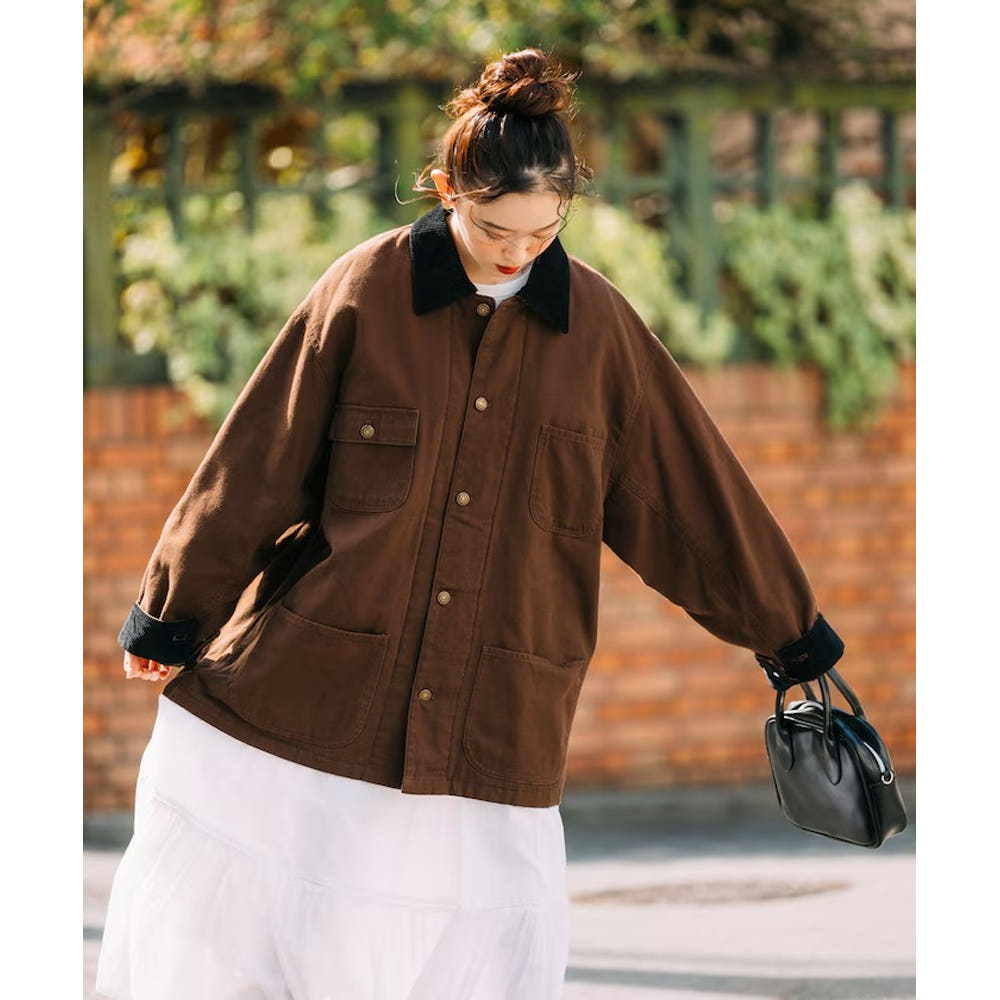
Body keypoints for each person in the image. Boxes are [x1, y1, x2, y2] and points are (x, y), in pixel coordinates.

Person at [95, 46, 844, 1000]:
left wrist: (790, 635)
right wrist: (171, 613)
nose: (516, 251)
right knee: (273, 937)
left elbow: (688, 499)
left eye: (544, 229)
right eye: (495, 226)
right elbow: (258, 463)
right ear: (447, 189)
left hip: (500, 715)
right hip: (317, 693)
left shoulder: (600, 335)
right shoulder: (366, 291)